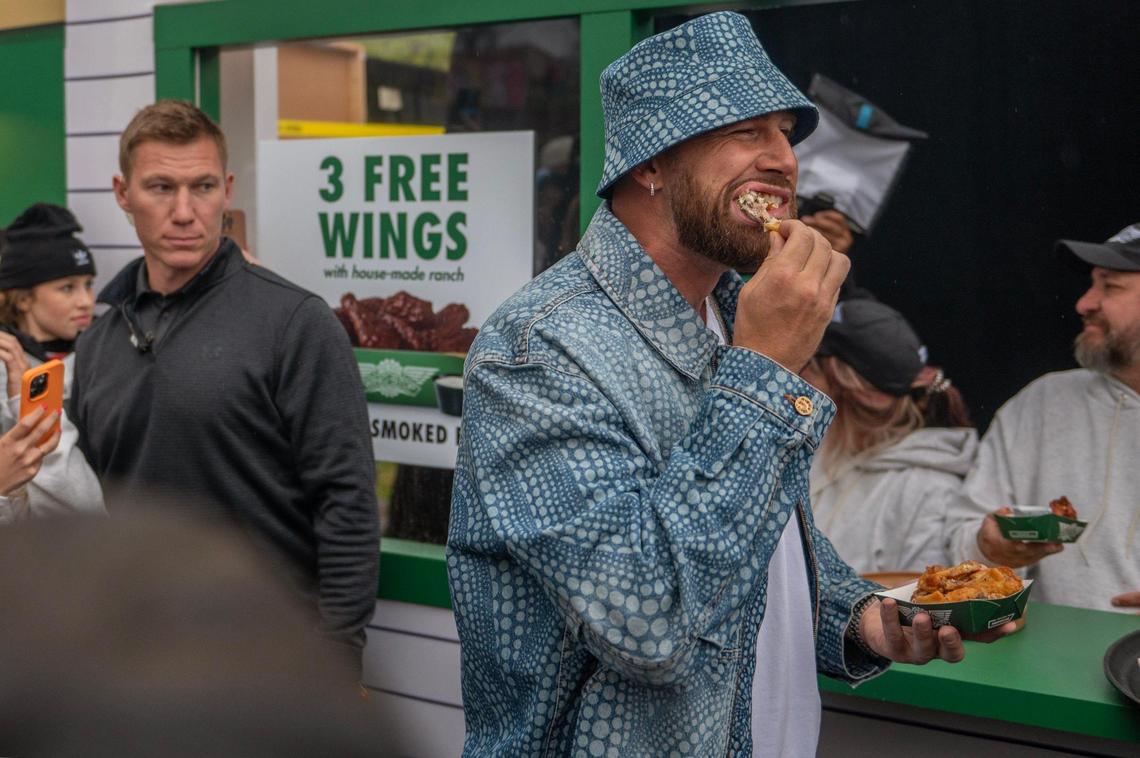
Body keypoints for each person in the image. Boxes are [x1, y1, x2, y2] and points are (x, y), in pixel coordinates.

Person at [447, 13, 1010, 757]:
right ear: (651, 163)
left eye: (785, 133)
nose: (784, 159)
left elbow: (759, 551)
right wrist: (767, 371)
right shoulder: (541, 349)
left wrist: (864, 618)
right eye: (746, 131)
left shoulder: (731, 312)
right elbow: (646, 623)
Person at [69, 100, 379, 671]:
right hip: (134, 654)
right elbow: (88, 504)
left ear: (227, 189)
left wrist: (337, 660)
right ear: (122, 192)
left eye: (203, 186)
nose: (185, 212)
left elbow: (347, 502)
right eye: (161, 187)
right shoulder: (98, 342)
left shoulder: (294, 322)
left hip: (268, 657)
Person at [948, 223, 1140, 612]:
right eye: (1092, 285)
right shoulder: (1042, 403)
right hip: (1046, 662)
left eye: (1110, 286)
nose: (1084, 303)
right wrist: (987, 546)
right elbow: (958, 543)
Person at [803, 297, 976, 574]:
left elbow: (922, 605)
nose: (796, 376)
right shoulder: (812, 449)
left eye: (809, 365)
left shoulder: (930, 491)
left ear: (855, 390)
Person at [0, 203, 104, 522]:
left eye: (88, 284)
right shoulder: (6, 370)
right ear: (24, 298)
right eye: (67, 288)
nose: (86, 301)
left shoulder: (100, 352)